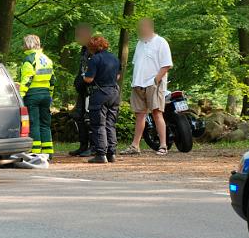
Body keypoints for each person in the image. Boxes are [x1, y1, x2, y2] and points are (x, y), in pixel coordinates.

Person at [120, 18, 173, 156]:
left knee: (157, 113)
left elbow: (166, 64)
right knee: (139, 115)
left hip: (154, 84)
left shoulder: (161, 42)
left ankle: (163, 145)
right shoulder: (139, 43)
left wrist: (155, 81)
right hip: (138, 84)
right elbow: (136, 63)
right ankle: (135, 146)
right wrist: (135, 81)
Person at [83, 36, 121, 164]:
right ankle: (112, 153)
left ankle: (101, 154)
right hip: (114, 93)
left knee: (99, 124)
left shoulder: (94, 59)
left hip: (100, 94)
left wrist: (84, 76)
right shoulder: (114, 58)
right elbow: (118, 76)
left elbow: (89, 79)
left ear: (92, 47)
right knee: (110, 124)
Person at [19, 35, 55, 157]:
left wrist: (21, 95)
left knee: (34, 123)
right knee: (45, 124)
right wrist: (50, 95)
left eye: (24, 44)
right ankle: (48, 152)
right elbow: (52, 80)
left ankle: (35, 152)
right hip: (45, 94)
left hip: (32, 95)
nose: (22, 46)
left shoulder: (29, 59)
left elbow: (27, 79)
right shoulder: (47, 59)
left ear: (28, 45)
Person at [71, 24, 93, 157]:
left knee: (89, 118)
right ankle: (83, 145)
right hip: (82, 89)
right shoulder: (83, 49)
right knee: (79, 116)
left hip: (90, 90)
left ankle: (92, 146)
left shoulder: (92, 49)